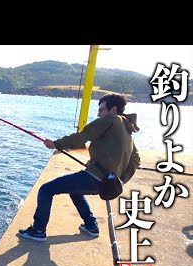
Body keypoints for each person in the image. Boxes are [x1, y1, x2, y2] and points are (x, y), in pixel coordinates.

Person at [19, 93, 140, 242]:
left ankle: (38, 230)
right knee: (75, 192)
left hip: (94, 178)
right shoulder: (127, 129)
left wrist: (56, 144)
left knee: (46, 189)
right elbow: (136, 160)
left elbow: (82, 137)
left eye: (101, 110)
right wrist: (118, 180)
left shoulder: (111, 120)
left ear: (113, 109)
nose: (98, 113)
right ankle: (91, 226)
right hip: (107, 183)